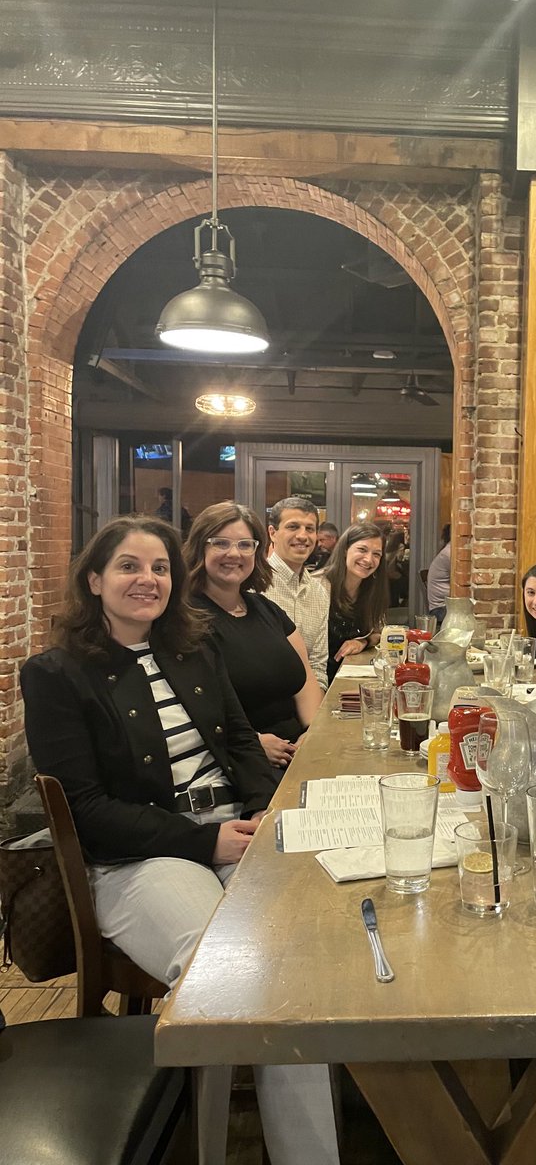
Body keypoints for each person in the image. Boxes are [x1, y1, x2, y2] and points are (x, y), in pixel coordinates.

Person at [19, 515, 339, 1165]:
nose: (147, 579)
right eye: (130, 566)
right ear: (94, 579)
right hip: (142, 860)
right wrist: (209, 842)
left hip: (235, 835)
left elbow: (242, 744)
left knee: (310, 955)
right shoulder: (56, 675)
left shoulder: (194, 648)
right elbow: (86, 811)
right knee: (232, 974)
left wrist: (261, 816)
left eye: (159, 567)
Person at [184, 502, 322, 769]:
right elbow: (189, 708)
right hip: (237, 761)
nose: (234, 553)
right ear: (200, 547)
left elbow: (305, 679)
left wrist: (312, 732)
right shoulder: (186, 618)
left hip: (298, 751)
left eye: (245, 545)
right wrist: (252, 741)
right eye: (220, 543)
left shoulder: (267, 609)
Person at [263, 497, 329, 691]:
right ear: (272, 533)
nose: (303, 536)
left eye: (310, 529)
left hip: (307, 703)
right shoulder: (253, 585)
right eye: (293, 527)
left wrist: (316, 715)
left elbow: (317, 664)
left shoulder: (319, 592)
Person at [319, 522, 389, 683]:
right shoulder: (319, 586)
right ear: (345, 550)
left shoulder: (372, 589)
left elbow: (380, 632)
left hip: (350, 674)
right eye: (362, 550)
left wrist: (362, 641)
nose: (369, 559)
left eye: (377, 554)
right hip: (319, 679)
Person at [426, 526, 451, 623]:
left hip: (443, 607)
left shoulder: (448, 550)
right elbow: (466, 580)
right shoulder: (449, 553)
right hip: (440, 609)